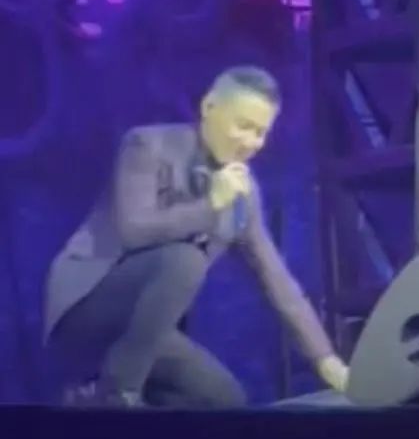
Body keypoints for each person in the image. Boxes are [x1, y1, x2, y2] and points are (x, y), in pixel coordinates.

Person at [44, 66, 349, 408]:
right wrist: (211, 204)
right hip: (89, 303)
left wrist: (326, 360)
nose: (250, 142)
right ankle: (115, 392)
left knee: (224, 399)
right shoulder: (148, 146)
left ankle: (90, 402)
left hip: (145, 330)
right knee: (185, 260)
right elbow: (134, 229)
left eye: (261, 133)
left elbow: (277, 280)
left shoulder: (243, 193)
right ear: (209, 107)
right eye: (243, 126)